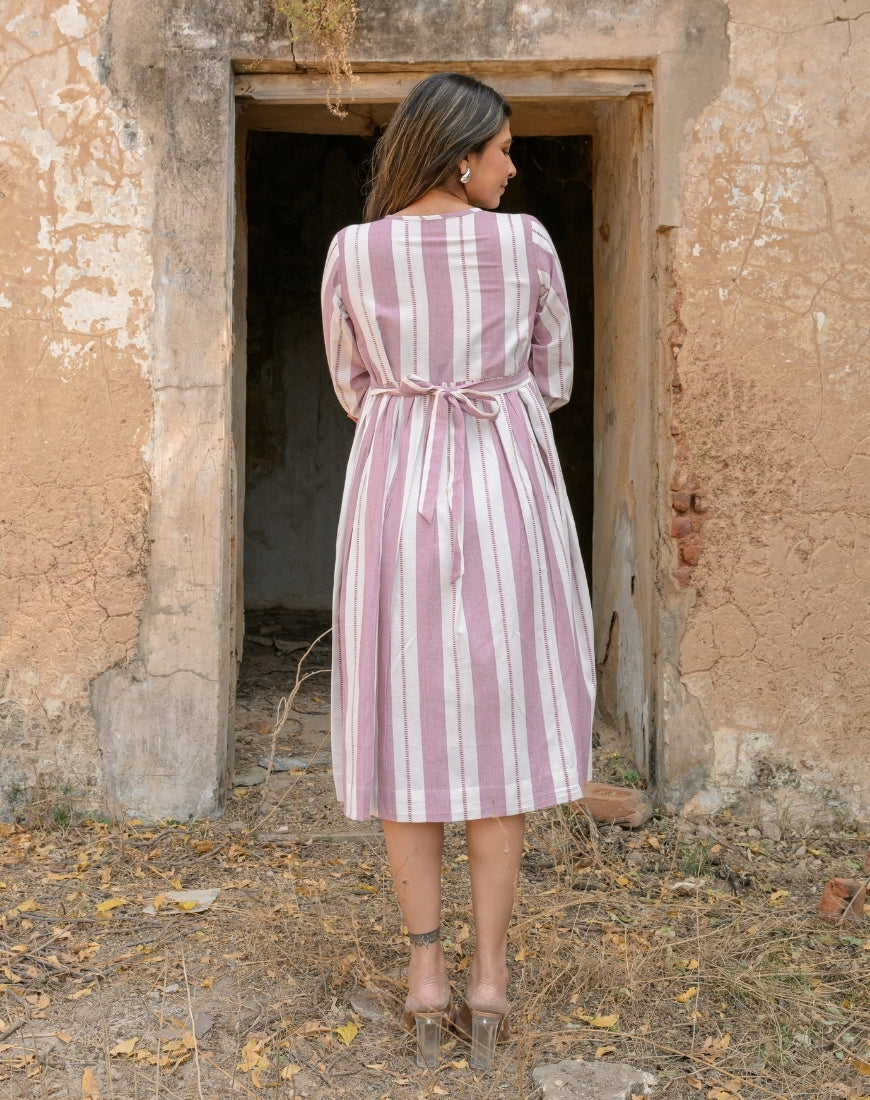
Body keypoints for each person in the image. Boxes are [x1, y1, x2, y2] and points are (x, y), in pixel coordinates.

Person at [320, 72, 595, 1071]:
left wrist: (414, 402)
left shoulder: (353, 251)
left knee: (405, 725)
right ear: (461, 155)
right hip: (502, 487)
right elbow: (554, 374)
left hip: (395, 490)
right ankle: (489, 977)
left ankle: (425, 977)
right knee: (498, 720)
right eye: (505, 149)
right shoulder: (522, 243)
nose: (514, 166)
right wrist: (483, 395)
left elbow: (353, 383)